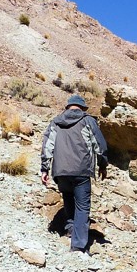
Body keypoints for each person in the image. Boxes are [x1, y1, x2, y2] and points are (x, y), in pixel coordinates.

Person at [40, 94, 108, 253]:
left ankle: (70, 230)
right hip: (81, 170)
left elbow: (47, 146)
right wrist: (103, 165)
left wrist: (44, 169)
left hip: (60, 172)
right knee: (82, 207)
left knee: (69, 200)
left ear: (68, 107)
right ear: (83, 108)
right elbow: (99, 144)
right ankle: (78, 246)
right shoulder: (87, 120)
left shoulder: (56, 122)